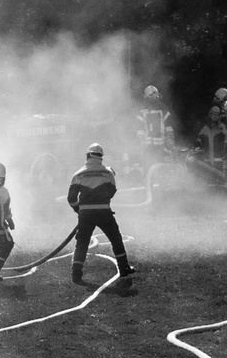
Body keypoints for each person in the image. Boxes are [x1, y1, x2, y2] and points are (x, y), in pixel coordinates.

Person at [67, 143, 133, 287]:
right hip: (104, 212)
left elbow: (71, 198)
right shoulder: (108, 173)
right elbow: (112, 191)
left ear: (88, 155)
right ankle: (124, 269)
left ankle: (76, 274)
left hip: (86, 215)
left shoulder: (78, 174)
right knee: (116, 239)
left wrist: (80, 210)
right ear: (101, 157)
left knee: (82, 244)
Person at [138, 86, 170, 153]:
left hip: (162, 148)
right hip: (147, 149)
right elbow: (139, 130)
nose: (154, 98)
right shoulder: (142, 112)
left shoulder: (163, 110)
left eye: (155, 96)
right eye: (152, 96)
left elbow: (169, 129)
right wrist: (141, 142)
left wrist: (170, 143)